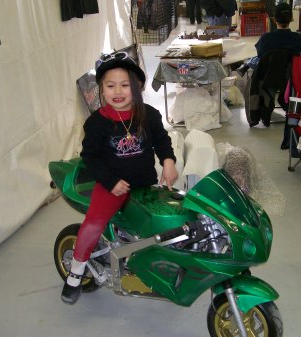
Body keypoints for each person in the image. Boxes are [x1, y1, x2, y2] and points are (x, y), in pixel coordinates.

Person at [61, 53, 178, 305]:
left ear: (137, 88)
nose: (118, 92)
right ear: (101, 88)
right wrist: (111, 181)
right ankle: (76, 270)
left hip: (145, 183)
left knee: (164, 223)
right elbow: (90, 157)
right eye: (110, 85)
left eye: (125, 85)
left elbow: (161, 141)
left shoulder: (149, 114)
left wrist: (168, 161)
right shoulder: (96, 123)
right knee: (94, 222)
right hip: (110, 185)